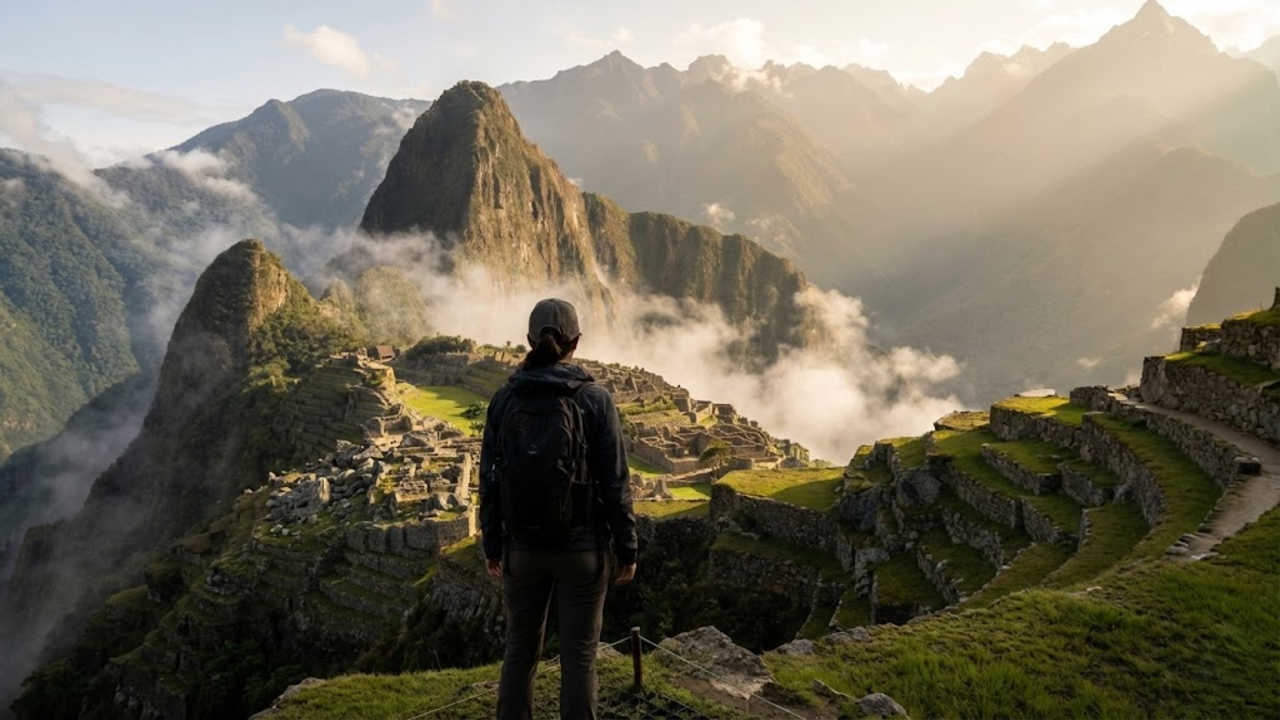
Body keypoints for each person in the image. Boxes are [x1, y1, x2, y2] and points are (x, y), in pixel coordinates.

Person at [479, 298, 638, 720]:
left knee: (519, 655)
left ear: (530, 341)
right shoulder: (595, 400)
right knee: (580, 660)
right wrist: (628, 549)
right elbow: (615, 481)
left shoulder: (503, 400)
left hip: (523, 550)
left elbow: (490, 479)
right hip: (582, 551)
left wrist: (492, 546)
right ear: (576, 343)